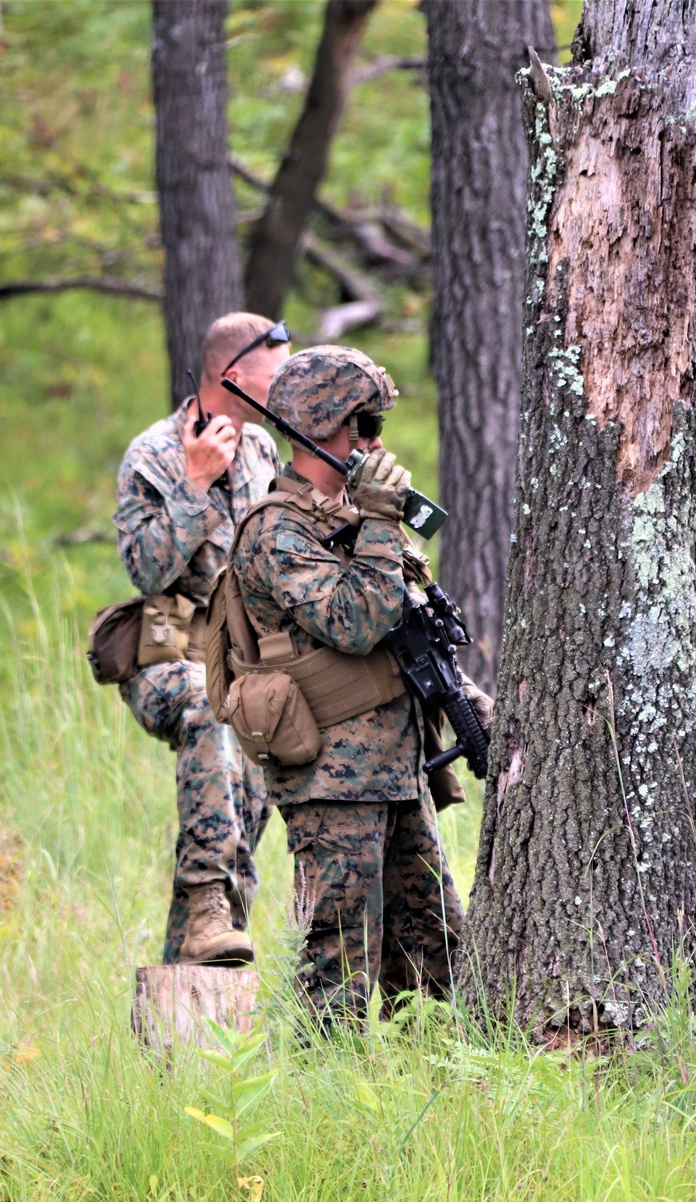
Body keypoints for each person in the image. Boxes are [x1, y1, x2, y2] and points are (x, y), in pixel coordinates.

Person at [228, 345, 491, 1026]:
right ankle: (325, 1107)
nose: (376, 441)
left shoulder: (356, 520)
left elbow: (411, 635)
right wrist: (378, 519)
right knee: (338, 963)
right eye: (362, 426)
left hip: (396, 773)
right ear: (319, 426)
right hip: (331, 781)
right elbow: (354, 621)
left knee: (437, 953)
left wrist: (472, 708)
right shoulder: (275, 531)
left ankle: (431, 1097)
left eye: (377, 425)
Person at [114, 313, 291, 965]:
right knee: (211, 711)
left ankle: (199, 959)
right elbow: (146, 570)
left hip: (247, 658)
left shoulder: (264, 451)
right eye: (278, 378)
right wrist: (192, 484)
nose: (288, 392)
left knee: (248, 799)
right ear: (234, 376)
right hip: (172, 656)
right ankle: (208, 905)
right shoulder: (155, 452)